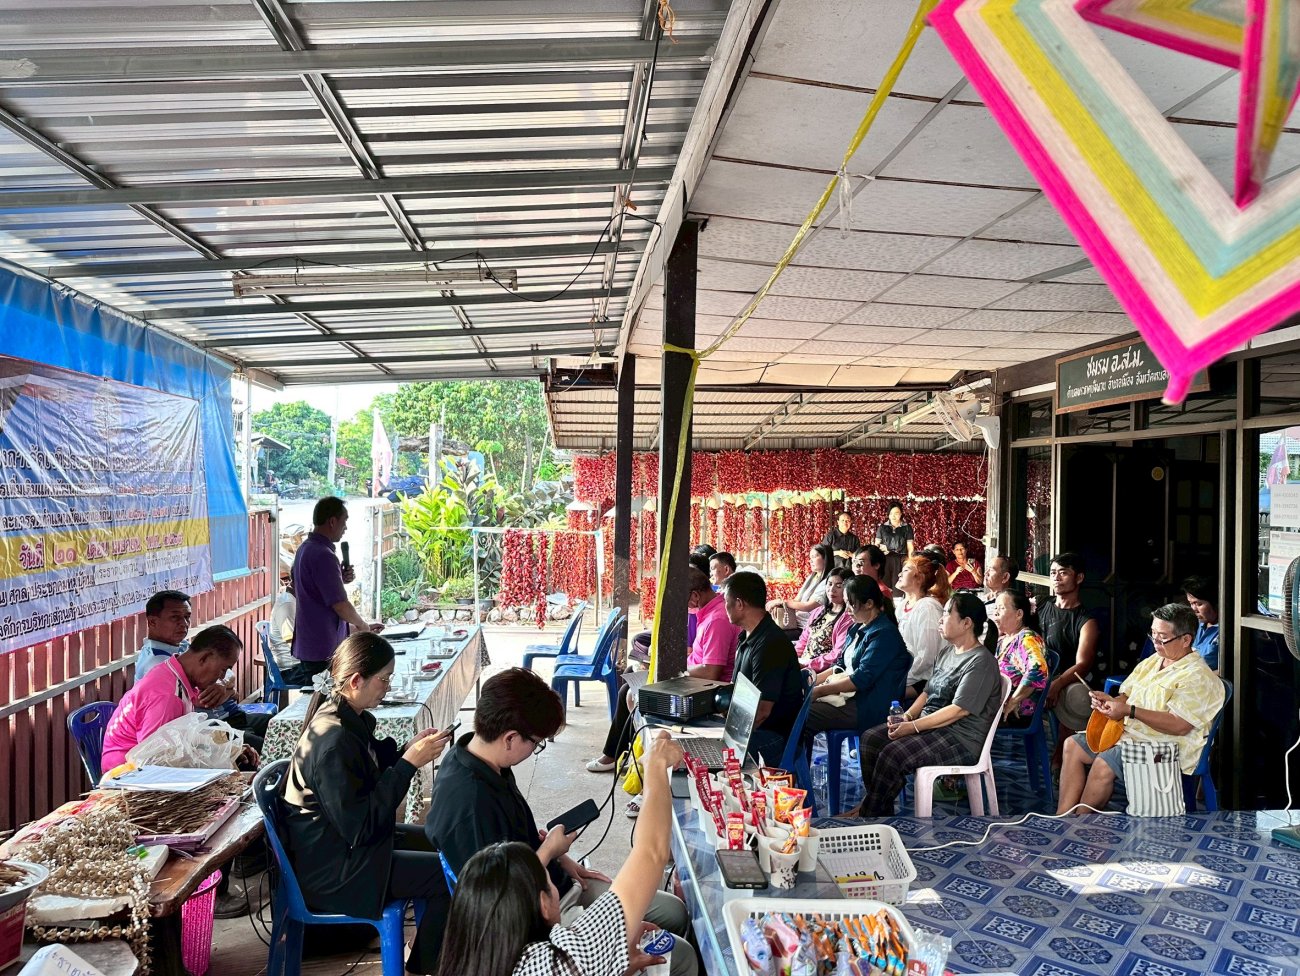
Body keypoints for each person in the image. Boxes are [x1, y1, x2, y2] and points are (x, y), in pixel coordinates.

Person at [426, 668, 697, 976]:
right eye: (536, 743)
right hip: (528, 927)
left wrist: (561, 859)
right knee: (681, 953)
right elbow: (651, 853)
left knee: (673, 912)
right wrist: (656, 766)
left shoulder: (474, 758)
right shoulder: (471, 808)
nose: (535, 750)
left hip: (534, 918)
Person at [282, 633, 454, 972]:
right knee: (444, 875)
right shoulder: (333, 740)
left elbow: (366, 771)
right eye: (384, 679)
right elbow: (361, 827)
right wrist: (408, 765)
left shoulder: (346, 716)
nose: (387, 688)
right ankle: (425, 966)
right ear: (356, 680)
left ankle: (430, 951)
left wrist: (406, 751)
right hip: (335, 870)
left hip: (346, 848)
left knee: (442, 840)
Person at [1056, 603, 1225, 815]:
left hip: (1166, 746)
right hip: (1132, 734)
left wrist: (1129, 711)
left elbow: (1179, 725)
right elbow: (1127, 695)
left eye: (1162, 638)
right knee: (1072, 745)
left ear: (1186, 640)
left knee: (1105, 762)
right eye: (1153, 634)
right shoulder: (1155, 660)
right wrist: (1111, 702)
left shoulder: (1197, 676)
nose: (1155, 642)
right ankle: (1062, 816)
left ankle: (1081, 821)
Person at [847, 593, 1003, 817]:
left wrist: (912, 727)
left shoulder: (981, 662)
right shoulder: (948, 651)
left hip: (959, 738)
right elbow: (927, 692)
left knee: (893, 754)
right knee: (871, 739)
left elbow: (958, 710)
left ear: (966, 623)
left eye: (947, 613)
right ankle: (878, 809)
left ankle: (869, 813)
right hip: (932, 727)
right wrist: (907, 717)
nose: (941, 619)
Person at [586, 567, 740, 781]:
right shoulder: (709, 613)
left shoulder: (717, 620)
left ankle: (635, 762)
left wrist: (674, 674)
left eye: (683, 601)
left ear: (695, 596)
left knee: (632, 694)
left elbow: (711, 671)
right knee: (630, 678)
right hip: (693, 681)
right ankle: (624, 754)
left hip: (704, 691)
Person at [103, 625, 259, 774]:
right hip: (126, 774)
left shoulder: (176, 675)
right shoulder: (167, 696)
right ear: (204, 658)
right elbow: (152, 761)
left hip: (145, 765)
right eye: (223, 669)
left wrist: (228, 749)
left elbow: (183, 736)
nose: (222, 677)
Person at [284, 496, 383, 687]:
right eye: (344, 521)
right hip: (323, 646)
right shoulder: (323, 555)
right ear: (332, 521)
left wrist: (339, 579)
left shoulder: (305, 549)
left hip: (312, 643)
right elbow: (340, 604)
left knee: (321, 698)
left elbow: (310, 588)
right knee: (329, 699)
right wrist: (362, 626)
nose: (345, 527)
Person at [805, 576, 911, 738]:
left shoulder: (884, 634)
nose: (847, 609)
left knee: (804, 714)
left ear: (869, 604)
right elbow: (839, 665)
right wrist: (811, 683)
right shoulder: (857, 627)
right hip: (851, 696)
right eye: (846, 603)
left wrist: (819, 691)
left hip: (867, 705)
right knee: (796, 706)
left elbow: (861, 679)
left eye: (851, 604)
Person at [724, 572, 805, 764]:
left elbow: (762, 711)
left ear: (739, 604)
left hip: (772, 737)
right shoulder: (747, 636)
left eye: (726, 602)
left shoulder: (770, 643)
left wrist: (728, 739)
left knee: (714, 755)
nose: (724, 607)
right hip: (752, 728)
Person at [1041, 553, 1101, 754]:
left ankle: (1062, 756)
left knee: (1073, 696)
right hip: (1036, 675)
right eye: (1053, 573)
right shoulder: (1041, 605)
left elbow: (1083, 664)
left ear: (1079, 578)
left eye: (1063, 573)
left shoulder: (1086, 621)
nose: (1056, 578)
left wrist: (1057, 684)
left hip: (1066, 680)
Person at [896, 555, 952, 698]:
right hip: (904, 672)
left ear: (919, 578)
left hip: (923, 680)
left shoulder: (928, 607)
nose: (899, 574)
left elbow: (926, 657)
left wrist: (899, 678)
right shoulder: (903, 605)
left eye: (906, 570)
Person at [992, 590, 1049, 727]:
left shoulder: (1027, 639)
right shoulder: (1004, 639)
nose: (996, 613)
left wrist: (1014, 700)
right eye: (995, 608)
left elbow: (1038, 670)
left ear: (1019, 614)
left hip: (1014, 711)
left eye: (1001, 608)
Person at [766, 542, 833, 630]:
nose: (810, 561)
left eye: (814, 557)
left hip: (807, 626)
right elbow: (797, 600)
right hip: (796, 621)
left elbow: (808, 606)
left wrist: (782, 602)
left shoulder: (827, 582)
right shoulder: (812, 578)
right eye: (810, 558)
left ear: (825, 559)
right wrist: (780, 605)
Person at [796, 567, 853, 669]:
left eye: (839, 586)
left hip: (821, 669)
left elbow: (837, 654)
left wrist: (807, 665)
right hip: (802, 663)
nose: (832, 589)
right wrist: (793, 658)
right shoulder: (819, 611)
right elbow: (803, 640)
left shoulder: (848, 617)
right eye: (829, 584)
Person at [1182, 575, 1220, 671]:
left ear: (1216, 603)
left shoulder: (1225, 631)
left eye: (1199, 604)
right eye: (1191, 603)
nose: (1194, 609)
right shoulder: (1197, 625)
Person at [981, 554, 1019, 649]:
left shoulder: (1008, 607)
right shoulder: (982, 599)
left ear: (1005, 577)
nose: (986, 573)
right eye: (987, 568)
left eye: (991, 570)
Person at [874, 501, 915, 588]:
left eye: (896, 513)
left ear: (901, 514)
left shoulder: (907, 528)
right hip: (885, 559)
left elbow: (910, 547)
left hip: (901, 559)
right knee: (885, 585)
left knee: (899, 585)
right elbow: (876, 545)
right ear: (888, 515)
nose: (893, 516)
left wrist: (910, 562)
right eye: (891, 513)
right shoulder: (882, 528)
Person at [267, 578, 297, 673]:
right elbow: (290, 640)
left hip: (296, 662)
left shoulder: (292, 600)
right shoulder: (287, 604)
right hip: (290, 667)